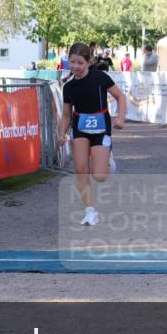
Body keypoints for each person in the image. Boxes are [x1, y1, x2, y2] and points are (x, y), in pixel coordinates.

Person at [58, 42, 127, 227]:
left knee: (100, 176)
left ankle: (108, 159)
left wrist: (120, 118)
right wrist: (61, 134)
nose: (75, 67)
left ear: (88, 62)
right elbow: (65, 115)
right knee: (80, 169)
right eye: (72, 62)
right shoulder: (69, 87)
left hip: (101, 127)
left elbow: (120, 96)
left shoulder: (100, 78)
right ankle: (90, 211)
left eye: (80, 63)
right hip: (79, 127)